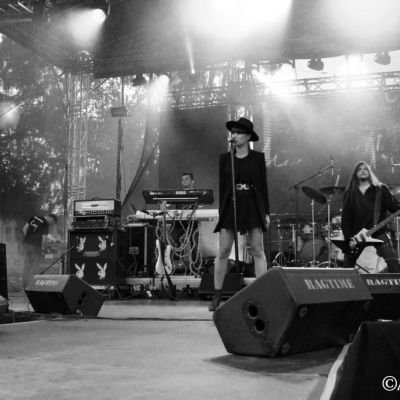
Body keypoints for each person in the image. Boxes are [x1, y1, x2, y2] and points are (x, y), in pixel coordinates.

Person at [209, 117, 270, 311]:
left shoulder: (258, 158)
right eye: (232, 132)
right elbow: (222, 187)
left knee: (257, 249)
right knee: (223, 250)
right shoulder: (225, 158)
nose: (234, 135)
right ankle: (217, 294)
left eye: (238, 132)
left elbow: (263, 187)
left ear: (248, 136)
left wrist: (266, 212)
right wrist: (222, 211)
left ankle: (262, 294)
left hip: (252, 203)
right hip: (231, 203)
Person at [341, 161, 400, 273]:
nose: (363, 171)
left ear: (369, 172)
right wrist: (349, 238)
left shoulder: (381, 189)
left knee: (393, 262)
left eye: (365, 169)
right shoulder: (350, 193)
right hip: (357, 235)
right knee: (347, 267)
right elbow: (346, 219)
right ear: (355, 174)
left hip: (378, 231)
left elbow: (394, 207)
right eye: (359, 169)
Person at [22, 213, 58, 287]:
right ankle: (31, 285)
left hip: (26, 244)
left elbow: (24, 229)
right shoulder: (45, 224)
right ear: (51, 219)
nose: (51, 224)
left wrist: (28, 238)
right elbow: (44, 240)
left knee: (27, 265)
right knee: (34, 266)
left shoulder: (34, 217)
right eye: (52, 223)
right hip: (36, 246)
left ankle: (24, 285)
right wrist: (44, 250)